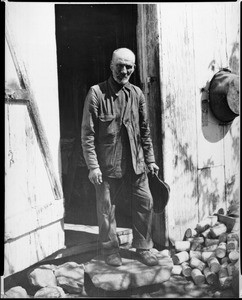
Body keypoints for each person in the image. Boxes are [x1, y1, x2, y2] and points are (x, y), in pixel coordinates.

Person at [81, 47, 160, 267]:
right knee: (106, 208)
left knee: (146, 202)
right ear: (111, 66)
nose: (124, 70)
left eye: (128, 67)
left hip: (136, 162)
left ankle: (144, 248)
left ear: (134, 68)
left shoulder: (137, 94)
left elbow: (145, 130)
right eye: (119, 65)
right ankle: (110, 250)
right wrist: (93, 166)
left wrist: (151, 159)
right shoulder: (96, 93)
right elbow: (87, 134)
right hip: (107, 164)